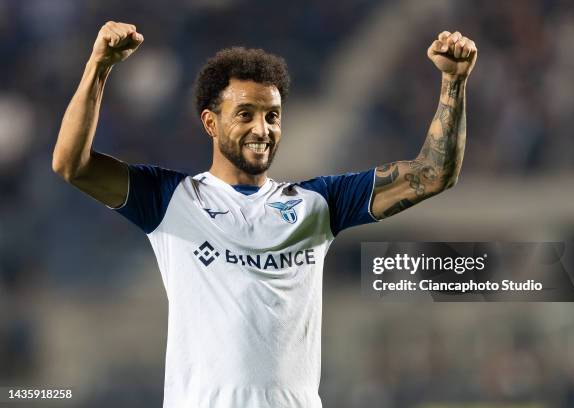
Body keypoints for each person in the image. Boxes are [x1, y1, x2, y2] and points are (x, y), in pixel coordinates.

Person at [52, 21, 477, 408]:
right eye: (245, 114)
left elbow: (433, 174)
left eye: (273, 116)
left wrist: (453, 82)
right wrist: (99, 66)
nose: (263, 129)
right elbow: (72, 164)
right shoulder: (171, 199)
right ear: (210, 123)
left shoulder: (318, 204)